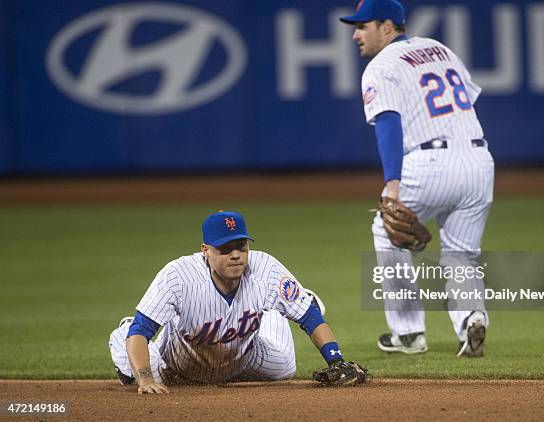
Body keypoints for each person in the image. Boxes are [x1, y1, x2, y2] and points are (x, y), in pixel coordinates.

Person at [340, 0, 494, 357]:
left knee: (386, 229)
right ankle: (471, 317)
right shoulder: (439, 49)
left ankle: (408, 334)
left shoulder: (381, 66)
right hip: (478, 159)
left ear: (388, 27)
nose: (355, 34)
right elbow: (466, 101)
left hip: (427, 163)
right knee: (461, 254)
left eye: (363, 26)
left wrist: (392, 185)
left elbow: (389, 122)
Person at [109, 211, 366, 392]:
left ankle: (288, 300)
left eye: (241, 247)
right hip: (173, 366)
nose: (235, 255)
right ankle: (124, 330)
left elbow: (311, 317)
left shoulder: (264, 268)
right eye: (225, 248)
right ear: (205, 250)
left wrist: (336, 361)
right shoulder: (178, 275)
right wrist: (144, 380)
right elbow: (142, 332)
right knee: (132, 350)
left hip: (244, 358)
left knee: (285, 367)